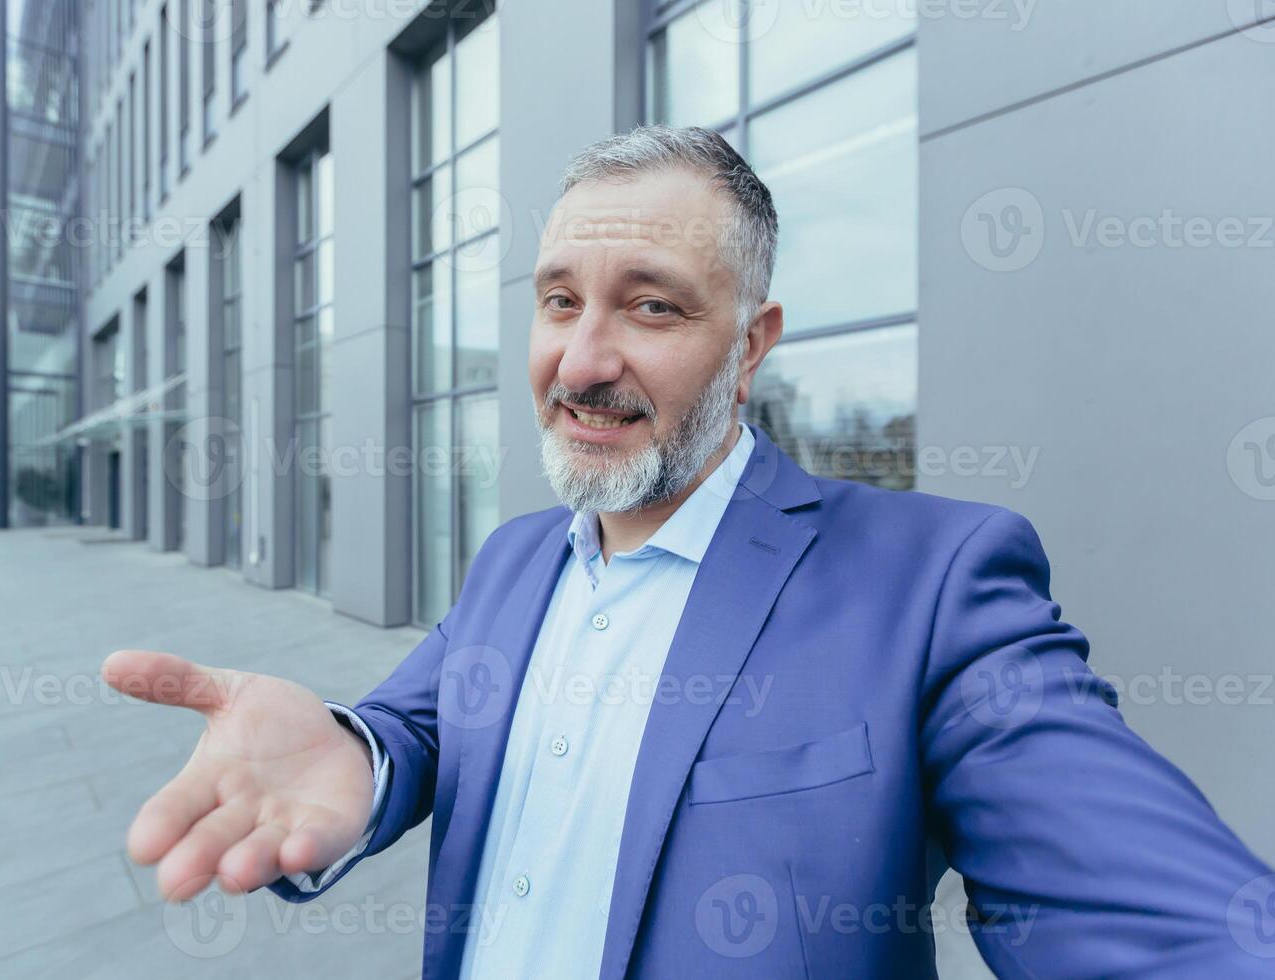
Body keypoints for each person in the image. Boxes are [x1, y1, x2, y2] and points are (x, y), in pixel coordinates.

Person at [102, 125, 1274, 977]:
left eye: (651, 306)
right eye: (559, 301)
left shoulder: (933, 582)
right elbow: (423, 722)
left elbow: (1170, 925)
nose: (582, 358)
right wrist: (358, 756)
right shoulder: (515, 557)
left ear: (751, 343)